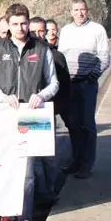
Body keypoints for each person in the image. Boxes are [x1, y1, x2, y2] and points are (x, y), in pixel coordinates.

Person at [0, 4, 59, 221]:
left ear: (29, 23)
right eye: (15, 23)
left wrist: (43, 95)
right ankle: (6, 215)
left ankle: (25, 219)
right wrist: (2, 97)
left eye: (24, 23)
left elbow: (53, 83)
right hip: (5, 115)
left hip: (32, 116)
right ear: (8, 24)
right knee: (5, 167)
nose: (20, 28)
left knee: (28, 173)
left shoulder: (42, 48)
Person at [58, 0, 110, 179]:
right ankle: (76, 161)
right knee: (73, 125)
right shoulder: (65, 31)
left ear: (87, 10)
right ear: (70, 12)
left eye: (82, 9)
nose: (79, 13)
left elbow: (104, 58)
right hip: (69, 85)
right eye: (76, 10)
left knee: (87, 124)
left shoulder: (97, 30)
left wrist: (92, 77)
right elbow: (61, 57)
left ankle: (87, 165)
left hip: (87, 84)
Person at [30, 16, 69, 204]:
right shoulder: (24, 54)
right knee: (34, 159)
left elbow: (63, 88)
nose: (38, 35)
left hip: (47, 114)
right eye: (34, 31)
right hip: (29, 114)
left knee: (48, 158)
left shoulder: (55, 56)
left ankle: (50, 190)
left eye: (41, 31)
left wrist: (55, 110)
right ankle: (41, 193)